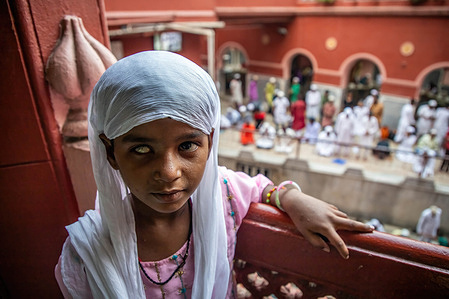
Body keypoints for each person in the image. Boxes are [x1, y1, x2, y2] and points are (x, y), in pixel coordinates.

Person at [54, 51, 374, 298]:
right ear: (110, 152)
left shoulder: (224, 195)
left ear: (210, 141)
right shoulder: (86, 257)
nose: (168, 172)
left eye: (188, 145)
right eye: (141, 149)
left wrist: (294, 199)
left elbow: (263, 187)